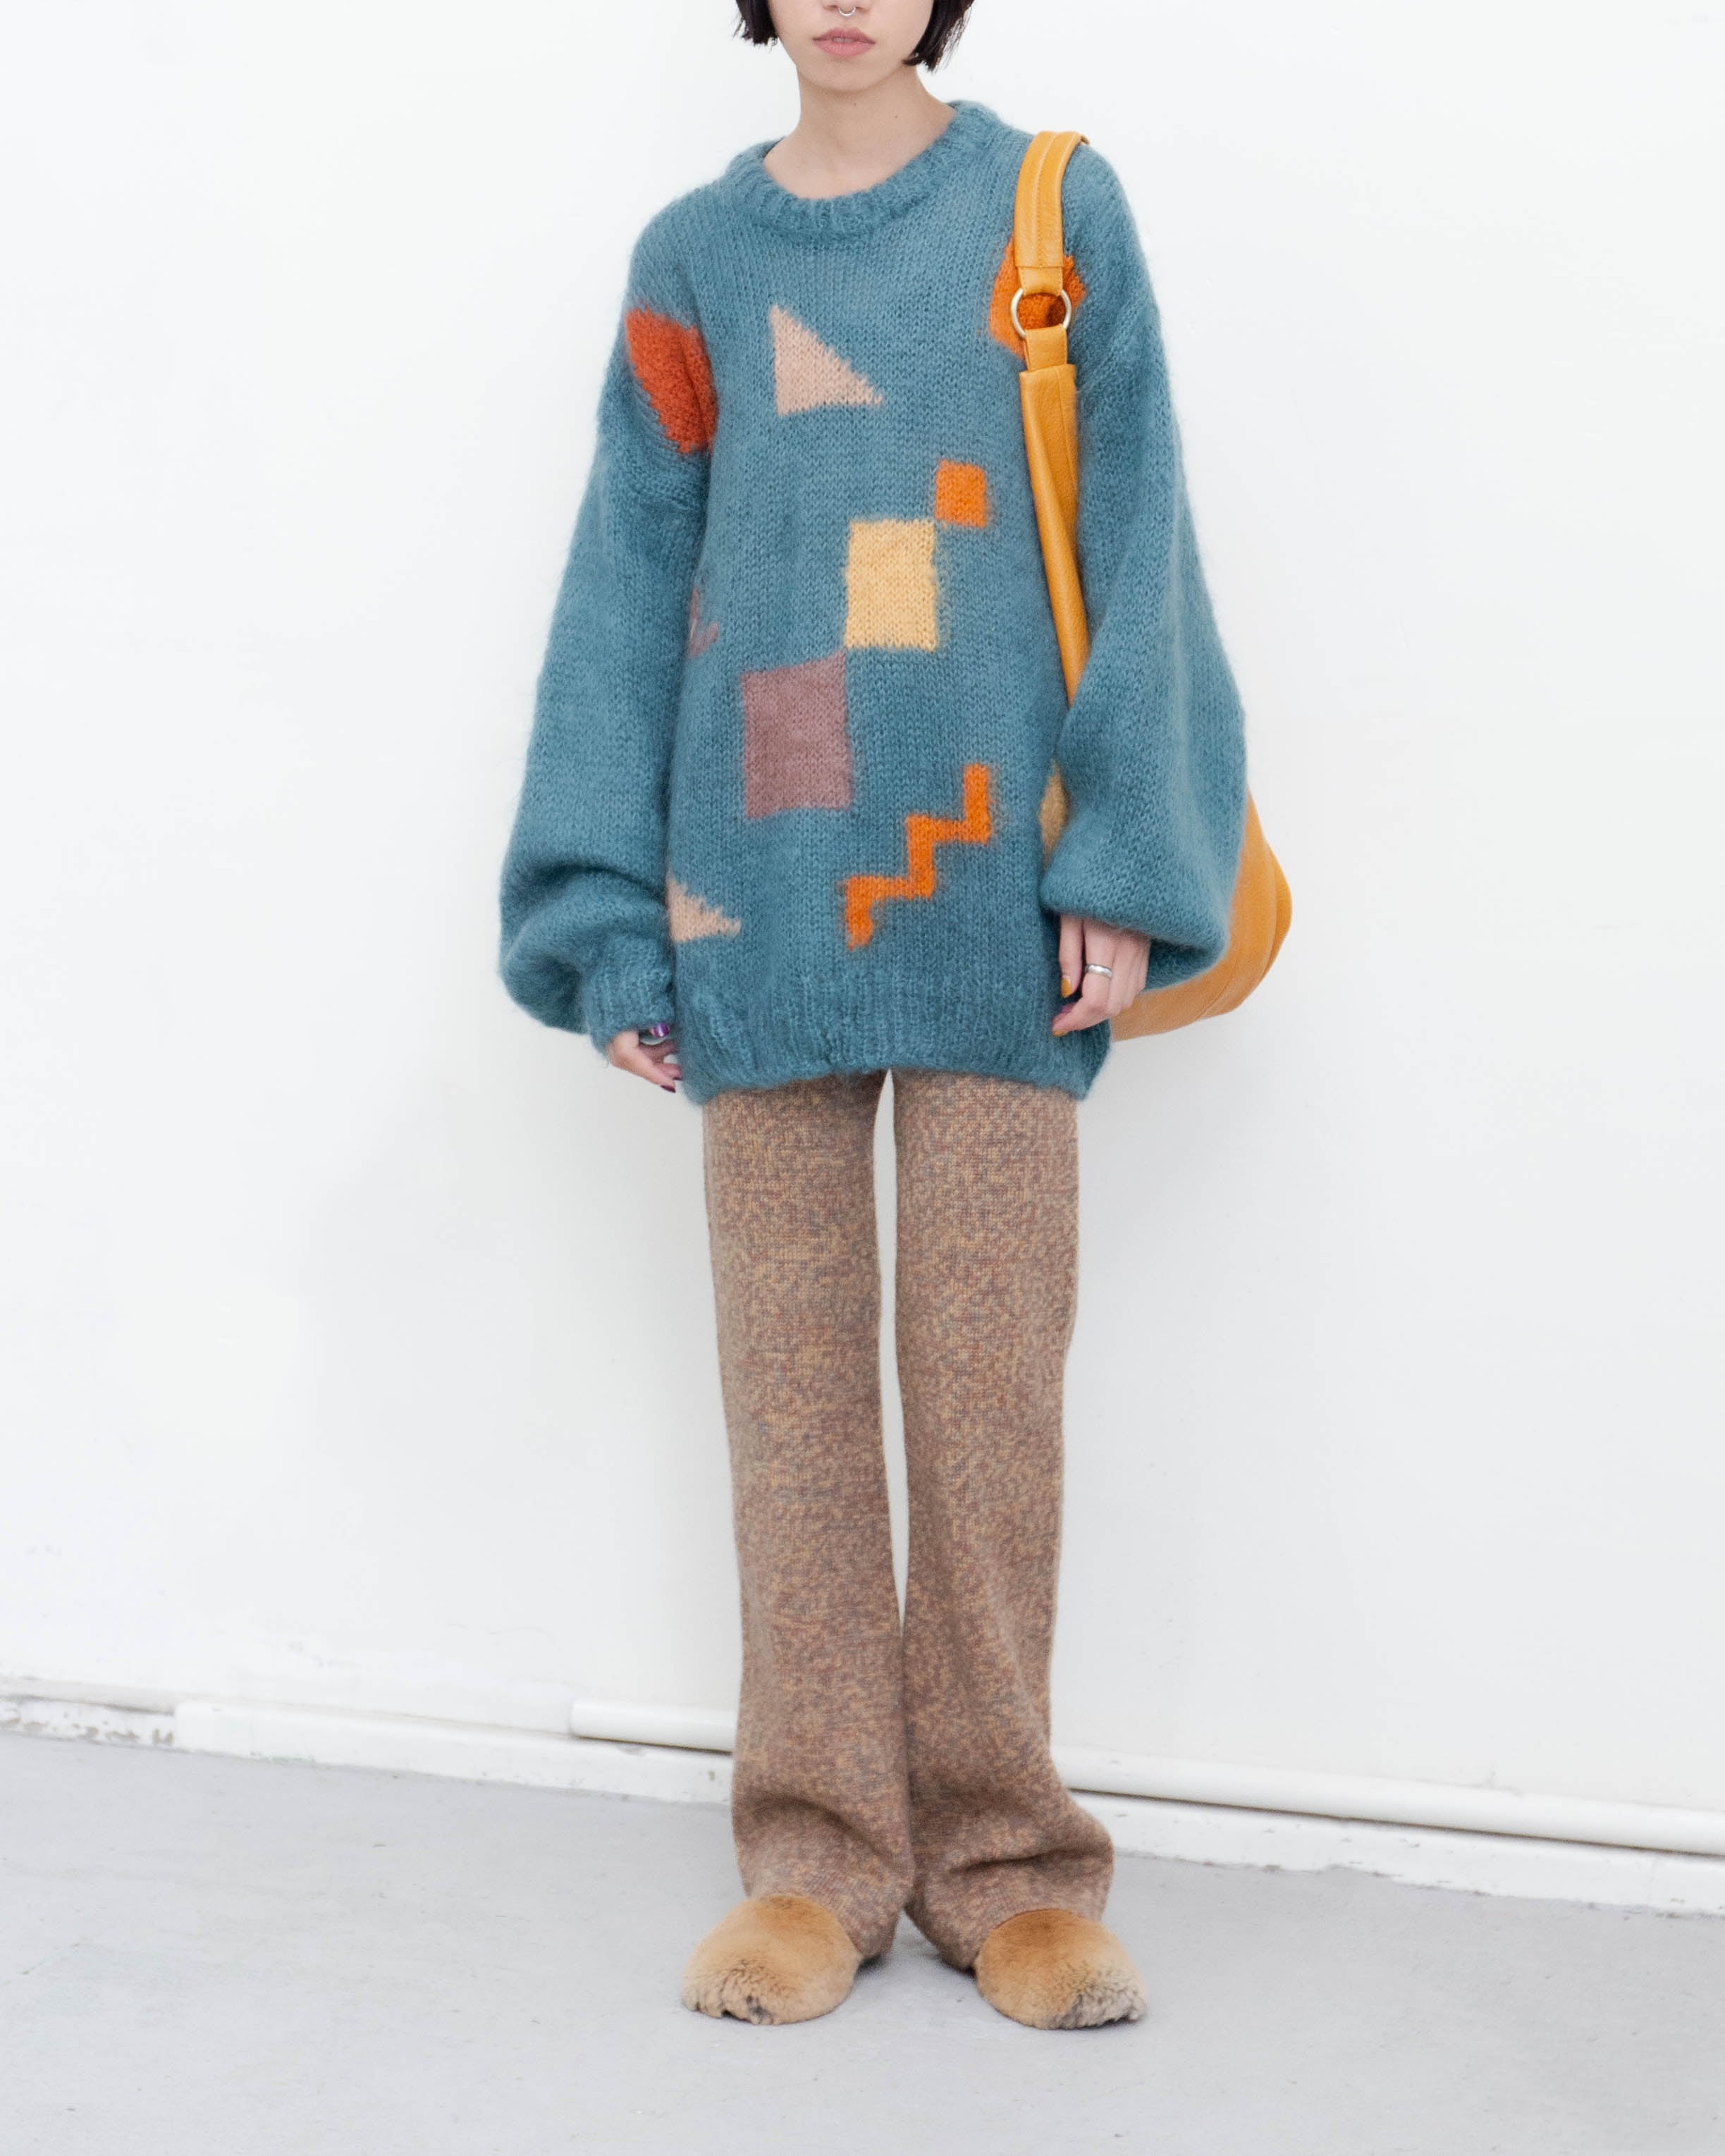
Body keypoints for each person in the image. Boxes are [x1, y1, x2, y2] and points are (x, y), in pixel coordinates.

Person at [499, 0, 1247, 2029]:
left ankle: (1010, 1865)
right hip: (745, 901)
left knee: (990, 1398)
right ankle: (818, 1858)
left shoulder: (1049, 209)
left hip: (1001, 894)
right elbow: (624, 582)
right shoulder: (693, 261)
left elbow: (1141, 532)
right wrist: (602, 917)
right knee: (795, 1411)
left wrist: (1127, 856)